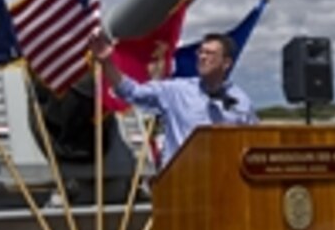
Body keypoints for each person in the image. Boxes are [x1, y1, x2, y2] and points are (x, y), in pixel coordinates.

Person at [88, 30, 256, 165]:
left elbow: (255, 144)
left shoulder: (242, 101)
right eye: (201, 52)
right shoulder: (175, 91)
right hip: (179, 185)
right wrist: (107, 63)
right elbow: (131, 92)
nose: (202, 57)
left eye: (210, 54)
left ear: (226, 63)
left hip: (223, 185)